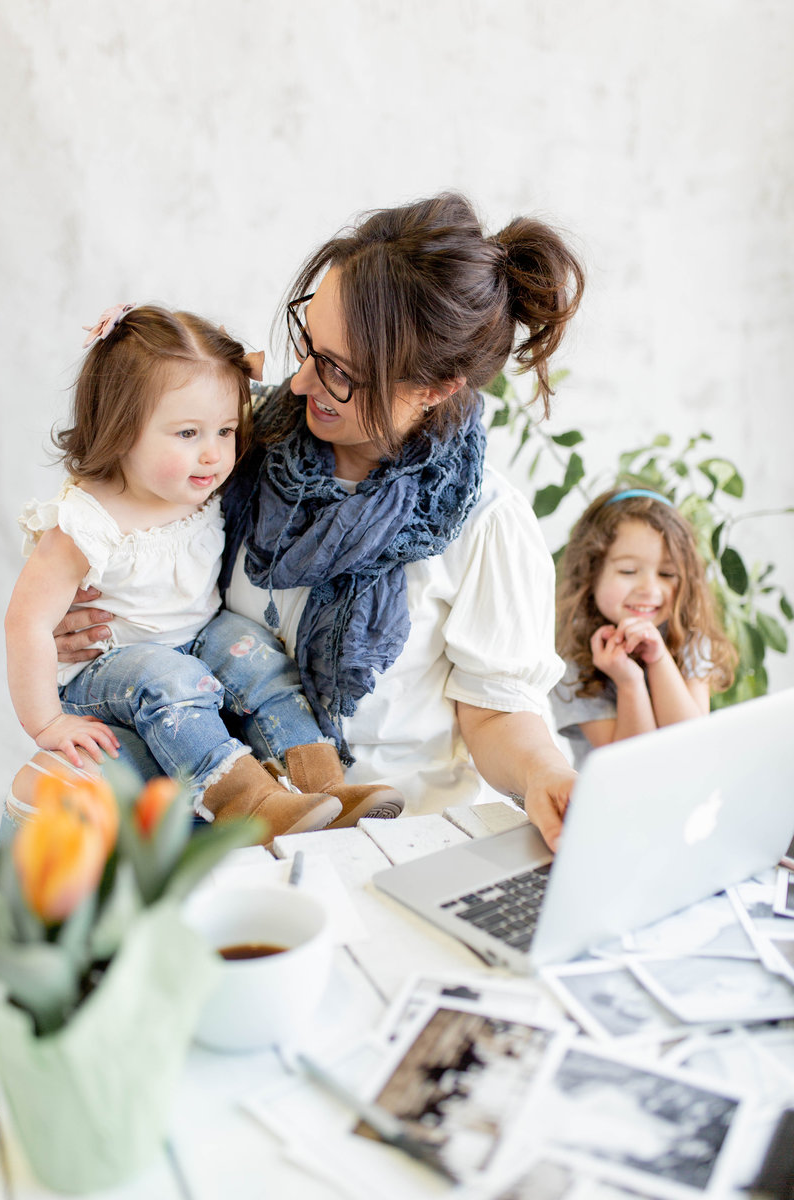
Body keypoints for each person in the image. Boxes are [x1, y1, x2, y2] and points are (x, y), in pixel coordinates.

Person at [40, 192, 585, 851]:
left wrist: (547, 775)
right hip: (210, 834)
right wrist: (88, 615)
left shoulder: (487, 524)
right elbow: (117, 500)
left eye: (339, 373)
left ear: (436, 387)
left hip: (387, 850)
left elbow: (497, 717)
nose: (298, 383)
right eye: (308, 345)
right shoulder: (238, 442)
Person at [5, 303, 403, 844]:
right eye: (188, 433)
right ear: (119, 430)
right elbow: (25, 622)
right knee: (169, 680)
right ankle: (247, 800)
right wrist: (46, 722)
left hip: (196, 637)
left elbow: (265, 373)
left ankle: (323, 784)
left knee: (258, 653)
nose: (214, 454)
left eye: (225, 430)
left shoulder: (200, 484)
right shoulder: (86, 523)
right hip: (110, 670)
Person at [552, 487, 736, 768]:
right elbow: (633, 767)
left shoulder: (691, 639)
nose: (650, 589)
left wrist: (659, 658)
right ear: (591, 573)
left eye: (667, 574)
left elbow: (693, 746)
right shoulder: (572, 659)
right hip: (612, 806)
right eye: (628, 571)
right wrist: (629, 682)